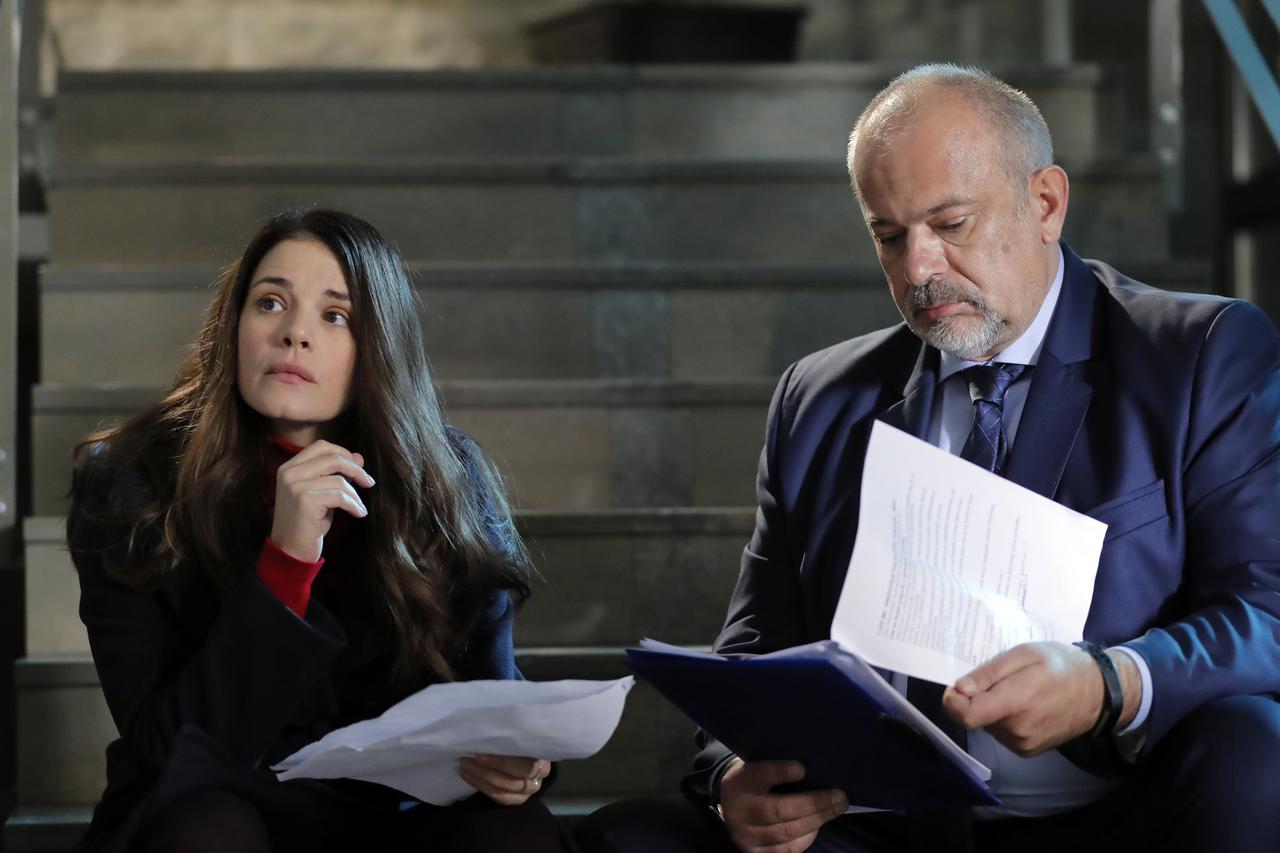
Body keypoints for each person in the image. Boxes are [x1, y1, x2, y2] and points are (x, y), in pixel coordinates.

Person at [575, 64, 1280, 853]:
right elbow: (755, 647)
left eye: (951, 224)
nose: (918, 268)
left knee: (1256, 750)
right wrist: (733, 774)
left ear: (1046, 203)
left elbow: (1268, 613)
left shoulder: (1197, 355)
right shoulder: (818, 396)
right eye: (889, 235)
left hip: (1124, 812)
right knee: (623, 838)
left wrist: (1111, 682)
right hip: (886, 826)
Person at [68, 209, 573, 853]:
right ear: (235, 329)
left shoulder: (448, 477)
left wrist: (521, 763)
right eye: (270, 303)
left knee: (515, 832)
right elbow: (168, 751)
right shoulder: (131, 483)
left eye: (335, 316)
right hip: (218, 798)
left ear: (377, 350)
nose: (294, 334)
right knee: (206, 832)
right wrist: (285, 564)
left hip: (395, 814)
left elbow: (491, 695)